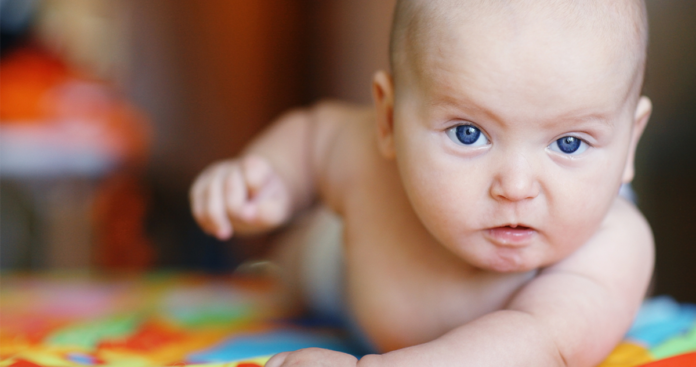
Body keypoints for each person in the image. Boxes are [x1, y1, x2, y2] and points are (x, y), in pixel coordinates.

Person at [189, 0, 654, 365]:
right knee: (296, 260)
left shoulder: (609, 247)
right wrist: (267, 177)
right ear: (388, 119)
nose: (515, 186)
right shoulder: (363, 154)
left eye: (569, 143)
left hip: (385, 293)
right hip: (347, 257)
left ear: (629, 143)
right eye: (468, 133)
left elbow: (533, 345)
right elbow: (313, 136)